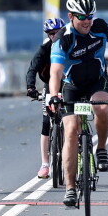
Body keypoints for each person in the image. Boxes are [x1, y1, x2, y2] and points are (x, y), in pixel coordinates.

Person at [47, 0, 108, 206]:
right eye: (82, 17)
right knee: (71, 131)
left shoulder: (100, 26)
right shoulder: (62, 38)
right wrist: (54, 96)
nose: (87, 21)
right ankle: (70, 188)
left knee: (102, 108)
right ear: (71, 16)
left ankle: (101, 148)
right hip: (71, 84)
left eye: (90, 16)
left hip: (96, 80)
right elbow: (55, 72)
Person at [25, 17, 66, 179]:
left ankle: (78, 152)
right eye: (50, 33)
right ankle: (44, 164)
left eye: (57, 33)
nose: (54, 36)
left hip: (70, 84)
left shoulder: (71, 44)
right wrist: (30, 87)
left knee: (74, 118)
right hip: (50, 84)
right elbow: (32, 69)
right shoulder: (44, 49)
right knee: (45, 122)